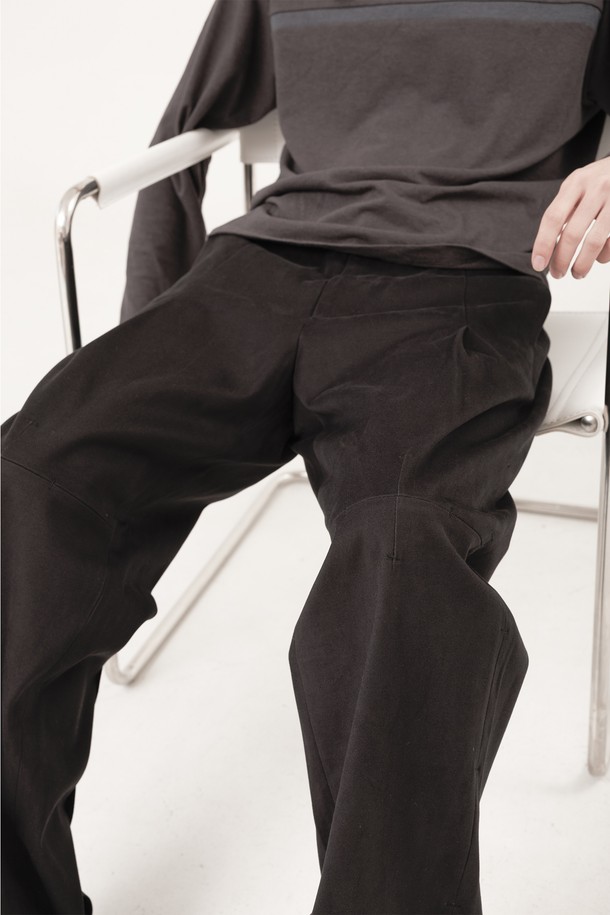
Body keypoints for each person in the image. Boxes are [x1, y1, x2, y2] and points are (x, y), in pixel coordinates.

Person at [2, 1, 609, 913]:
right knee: (33, 471)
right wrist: (148, 338)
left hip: (460, 277)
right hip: (255, 268)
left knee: (402, 553)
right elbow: (190, 118)